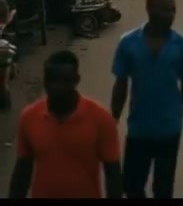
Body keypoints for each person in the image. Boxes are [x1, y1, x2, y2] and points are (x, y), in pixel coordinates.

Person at [111, 0, 183, 199]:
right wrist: (111, 121)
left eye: (173, 11)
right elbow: (120, 85)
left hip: (169, 128)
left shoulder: (181, 45)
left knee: (163, 187)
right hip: (138, 128)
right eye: (166, 10)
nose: (171, 15)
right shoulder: (128, 43)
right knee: (132, 185)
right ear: (150, 10)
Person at [9, 50, 122, 200]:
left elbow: (113, 174)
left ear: (76, 80)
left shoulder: (101, 118)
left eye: (64, 81)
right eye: (51, 80)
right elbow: (22, 171)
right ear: (45, 81)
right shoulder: (29, 117)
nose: (56, 87)